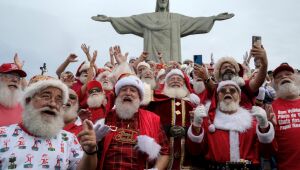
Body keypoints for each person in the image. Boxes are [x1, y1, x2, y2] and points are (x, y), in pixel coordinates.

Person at [0, 78, 97, 169]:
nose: (53, 104)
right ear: (28, 100)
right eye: (46, 96)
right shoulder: (3, 135)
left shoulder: (68, 139)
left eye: (59, 100)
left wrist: (90, 152)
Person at [91, 0, 234, 62]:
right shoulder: (147, 18)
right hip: (150, 63)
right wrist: (110, 19)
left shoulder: (176, 19)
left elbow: (194, 21)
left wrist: (213, 18)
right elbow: (130, 20)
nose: (163, 0)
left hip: (173, 63)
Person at [187, 80, 275, 169]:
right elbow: (195, 151)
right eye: (223, 91)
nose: (228, 92)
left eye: (233, 90)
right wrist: (196, 125)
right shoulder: (208, 122)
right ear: (217, 97)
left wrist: (264, 126)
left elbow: (267, 153)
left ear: (240, 97)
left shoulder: (252, 122)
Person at [94, 75, 170, 169]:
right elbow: (89, 152)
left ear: (140, 97)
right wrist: (95, 142)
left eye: (133, 90)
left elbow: (164, 152)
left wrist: (156, 169)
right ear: (117, 96)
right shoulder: (105, 118)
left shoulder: (153, 119)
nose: (128, 93)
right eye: (124, 90)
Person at [147, 68, 201, 169]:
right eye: (172, 79)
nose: (175, 80)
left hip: (187, 159)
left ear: (184, 84)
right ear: (166, 83)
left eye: (179, 79)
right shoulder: (156, 102)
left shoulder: (192, 105)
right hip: (162, 157)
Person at [271, 63, 300, 169]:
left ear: (297, 79)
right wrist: (266, 129)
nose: (284, 77)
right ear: (274, 84)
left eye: (288, 74)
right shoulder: (270, 109)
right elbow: (266, 150)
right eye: (279, 76)